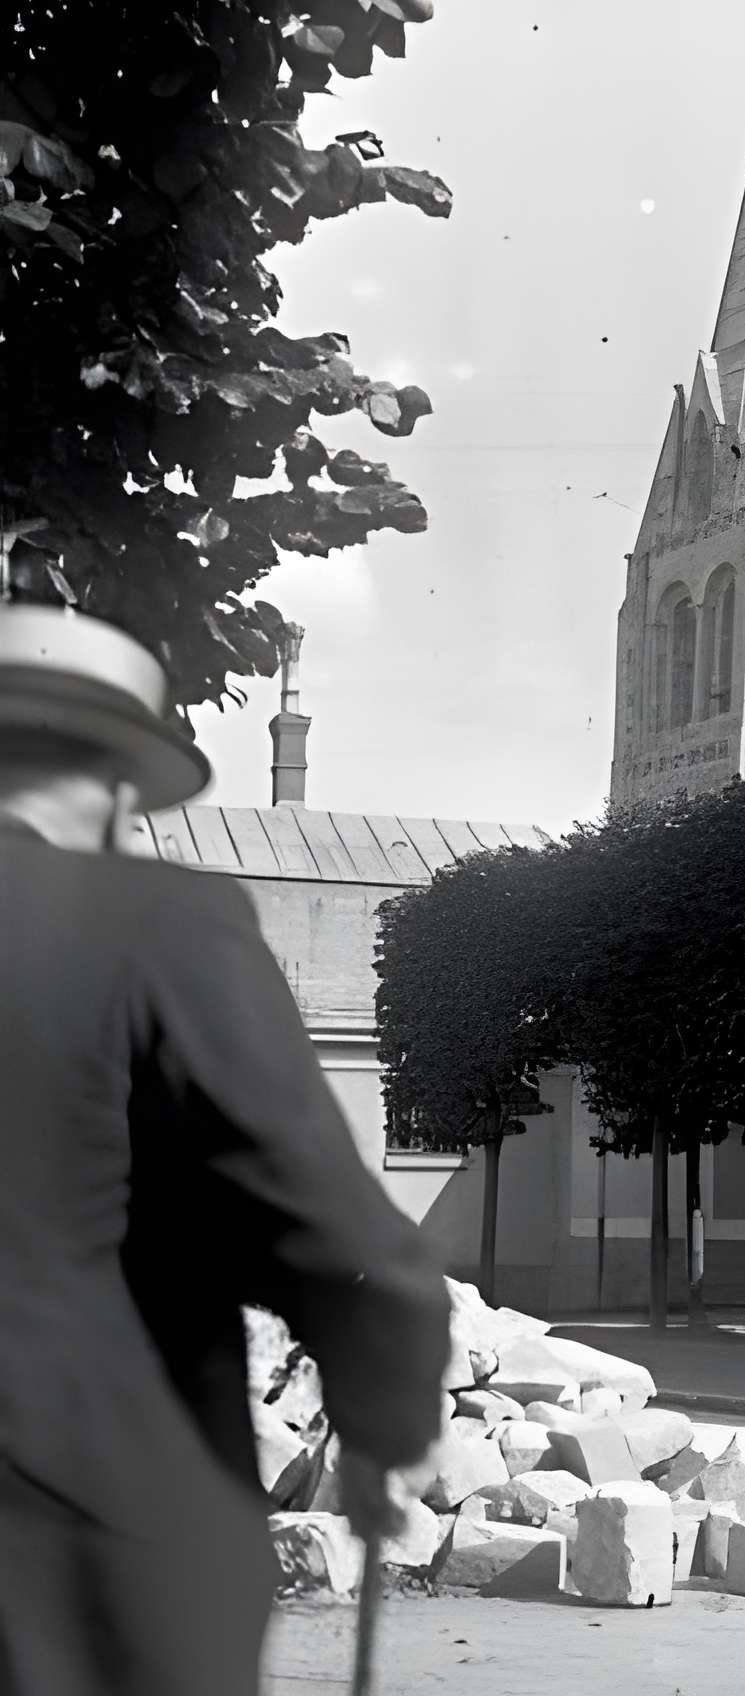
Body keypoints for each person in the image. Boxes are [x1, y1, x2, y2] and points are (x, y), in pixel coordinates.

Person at [0, 603, 449, 1695]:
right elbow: (324, 1224)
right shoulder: (152, 920)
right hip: (88, 1553)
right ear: (116, 786)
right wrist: (383, 1419)